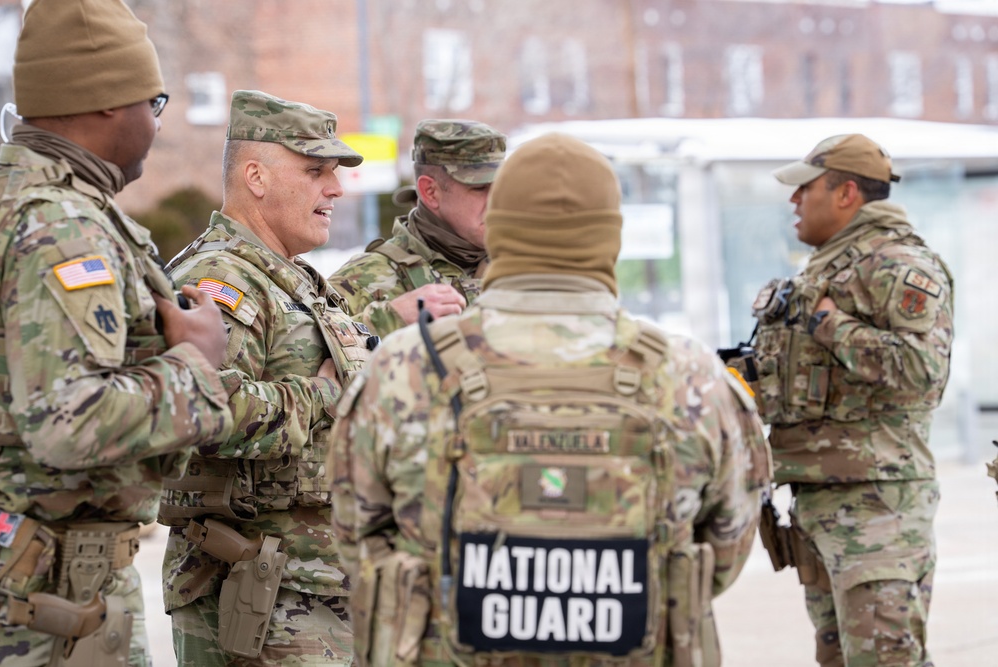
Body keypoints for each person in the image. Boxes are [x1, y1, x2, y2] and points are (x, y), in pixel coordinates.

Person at [330, 133, 770, 666]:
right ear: (611, 235)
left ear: (505, 229)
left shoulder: (403, 370)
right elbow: (722, 551)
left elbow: (358, 541)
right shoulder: (691, 376)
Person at [0, 0, 234, 665]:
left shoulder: (25, 200)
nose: (156, 125)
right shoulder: (58, 225)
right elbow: (65, 419)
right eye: (152, 103)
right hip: (49, 605)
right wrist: (194, 361)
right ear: (107, 103)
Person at [159, 90, 378, 667]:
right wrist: (325, 394)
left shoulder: (289, 276)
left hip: (312, 586)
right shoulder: (218, 278)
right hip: (256, 597)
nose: (335, 189)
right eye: (315, 172)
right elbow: (203, 412)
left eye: (334, 174)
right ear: (255, 176)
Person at [752, 134, 954, 666]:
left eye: (805, 188)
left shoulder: (897, 264)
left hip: (877, 508)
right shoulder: (827, 268)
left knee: (885, 660)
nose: (794, 201)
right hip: (823, 500)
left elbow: (921, 372)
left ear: (845, 193)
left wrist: (829, 324)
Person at [327, 119, 505, 336]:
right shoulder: (359, 282)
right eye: (480, 188)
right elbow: (300, 363)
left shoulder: (526, 267)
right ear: (430, 192)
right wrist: (386, 321)